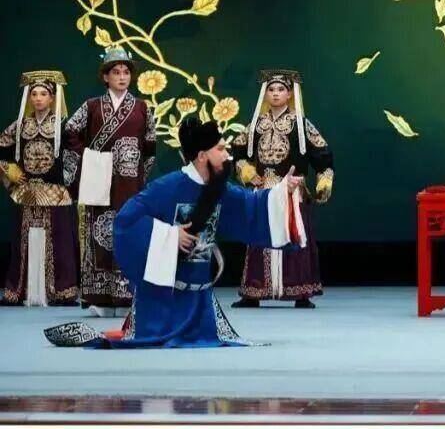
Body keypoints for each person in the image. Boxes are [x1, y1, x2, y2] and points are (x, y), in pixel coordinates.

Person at [43, 119, 305, 348]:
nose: (227, 156)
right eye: (221, 149)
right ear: (201, 156)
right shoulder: (166, 187)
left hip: (200, 299)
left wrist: (285, 191)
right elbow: (126, 222)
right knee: (149, 339)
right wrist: (169, 235)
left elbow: (253, 206)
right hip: (163, 300)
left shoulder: (219, 189)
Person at [64, 46, 156, 316]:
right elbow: (70, 131)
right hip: (99, 178)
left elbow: (150, 146)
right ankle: (100, 297)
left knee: (128, 231)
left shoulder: (142, 107)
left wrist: (139, 175)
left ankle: (128, 295)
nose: (122, 77)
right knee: (99, 231)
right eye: (116, 72)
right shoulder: (92, 106)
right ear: (105, 76)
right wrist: (90, 160)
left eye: (126, 72)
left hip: (130, 182)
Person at [231, 70, 333, 308]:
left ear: (289, 94)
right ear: (265, 94)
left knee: (294, 234)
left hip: (292, 189)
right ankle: (254, 291)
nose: (275, 94)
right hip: (264, 189)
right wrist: (247, 171)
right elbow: (238, 152)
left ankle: (300, 291)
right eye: (271, 89)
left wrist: (324, 181)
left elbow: (323, 154)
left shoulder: (302, 125)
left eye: (281, 89)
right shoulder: (256, 125)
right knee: (259, 236)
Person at [0, 71, 78, 305]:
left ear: (52, 98)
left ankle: (62, 291)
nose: (38, 98)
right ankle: (18, 290)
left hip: (55, 193)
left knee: (59, 242)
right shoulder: (20, 126)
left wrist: (68, 183)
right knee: (22, 242)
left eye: (43, 94)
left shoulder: (63, 126)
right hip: (26, 192)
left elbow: (75, 156)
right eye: (34, 94)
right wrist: (8, 169)